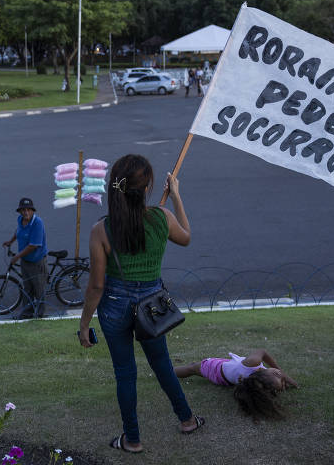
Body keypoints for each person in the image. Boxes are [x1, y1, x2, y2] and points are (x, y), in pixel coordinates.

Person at [78, 154, 202, 454]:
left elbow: (96, 286)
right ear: (147, 188)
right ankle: (187, 419)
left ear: (114, 188)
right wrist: (176, 197)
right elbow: (186, 238)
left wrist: (83, 325)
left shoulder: (101, 230)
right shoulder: (162, 217)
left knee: (125, 372)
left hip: (115, 306)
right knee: (162, 364)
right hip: (152, 305)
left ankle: (132, 439)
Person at [174, 349, 298, 421]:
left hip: (214, 369)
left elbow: (262, 351)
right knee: (194, 369)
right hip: (224, 379)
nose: (281, 375)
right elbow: (265, 357)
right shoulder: (255, 384)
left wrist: (282, 375)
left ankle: (167, 373)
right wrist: (282, 379)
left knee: (191, 368)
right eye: (281, 377)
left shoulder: (253, 363)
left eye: (278, 376)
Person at [3, 198, 48, 319]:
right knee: (27, 288)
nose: (26, 212)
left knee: (39, 290)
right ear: (20, 211)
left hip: (37, 261)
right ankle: (26, 314)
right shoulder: (20, 220)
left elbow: (34, 245)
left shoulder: (38, 223)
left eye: (28, 210)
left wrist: (17, 256)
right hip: (25, 260)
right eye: (23, 210)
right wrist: (10, 241)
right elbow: (18, 231)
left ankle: (39, 315)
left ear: (32, 211)